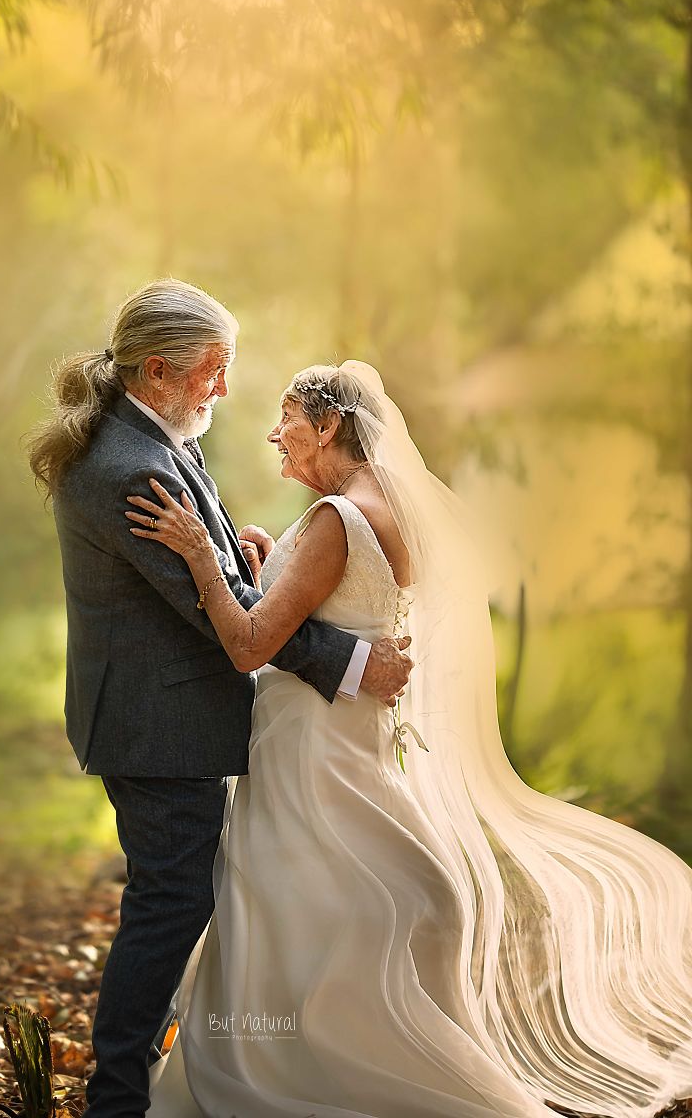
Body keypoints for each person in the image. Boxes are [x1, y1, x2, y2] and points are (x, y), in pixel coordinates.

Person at [133, 360, 692, 1118]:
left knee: (298, 899)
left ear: (329, 425)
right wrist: (271, 565)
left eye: (288, 416)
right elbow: (342, 615)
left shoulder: (337, 517)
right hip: (356, 736)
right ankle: (341, 1052)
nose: (275, 432)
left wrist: (203, 554)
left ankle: (302, 1074)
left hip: (310, 749)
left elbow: (249, 647)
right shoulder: (389, 503)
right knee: (343, 895)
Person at [27, 282, 412, 1118]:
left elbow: (224, 587)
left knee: (182, 896)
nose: (224, 390)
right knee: (173, 900)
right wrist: (349, 661)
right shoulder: (130, 469)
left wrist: (252, 566)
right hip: (154, 722)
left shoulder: (157, 435)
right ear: (159, 370)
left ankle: (160, 1074)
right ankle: (117, 1100)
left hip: (171, 715)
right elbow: (221, 629)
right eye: (215, 369)